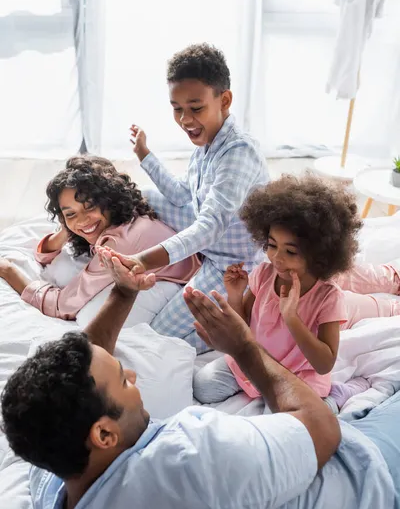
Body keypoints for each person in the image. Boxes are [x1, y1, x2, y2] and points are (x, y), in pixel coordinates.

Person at [1, 250, 398, 509]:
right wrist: (243, 347)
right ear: (104, 435)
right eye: (124, 381)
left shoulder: (54, 468)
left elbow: (78, 372)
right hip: (364, 473)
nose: (133, 374)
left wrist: (123, 294)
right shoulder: (188, 460)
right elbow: (321, 430)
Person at [106, 43, 269, 352]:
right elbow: (183, 195)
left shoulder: (238, 153)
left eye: (196, 108)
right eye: (177, 108)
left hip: (232, 267)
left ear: (224, 100)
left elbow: (208, 227)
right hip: (210, 242)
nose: (184, 119)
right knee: (143, 197)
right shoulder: (206, 145)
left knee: (157, 337)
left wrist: (144, 260)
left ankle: (244, 320)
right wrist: (144, 154)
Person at [193, 174, 400, 411]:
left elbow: (324, 364)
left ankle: (340, 393)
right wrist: (235, 295)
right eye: (272, 246)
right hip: (257, 362)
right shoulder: (263, 274)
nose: (277, 258)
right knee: (204, 386)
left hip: (298, 374)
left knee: (288, 417)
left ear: (317, 253)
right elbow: (245, 325)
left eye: (291, 252)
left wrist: (292, 319)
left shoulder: (328, 297)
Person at [0, 156, 199, 320]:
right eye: (70, 213)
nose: (83, 219)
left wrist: (8, 270)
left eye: (90, 207)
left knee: (89, 317)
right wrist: (68, 228)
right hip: (170, 268)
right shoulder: (125, 214)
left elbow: (62, 305)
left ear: (108, 200)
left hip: (177, 287)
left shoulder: (117, 244)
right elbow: (42, 256)